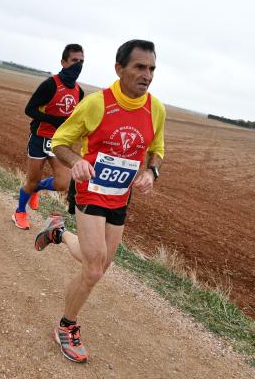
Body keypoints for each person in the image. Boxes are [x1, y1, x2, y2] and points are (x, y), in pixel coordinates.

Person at [34, 39, 166, 363]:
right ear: (119, 69)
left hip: (119, 198)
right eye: (139, 67)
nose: (146, 74)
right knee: (93, 270)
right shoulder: (97, 104)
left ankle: (58, 232)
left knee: (101, 263)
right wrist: (75, 161)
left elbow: (157, 152)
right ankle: (66, 326)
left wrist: (151, 173)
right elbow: (59, 142)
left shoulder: (156, 109)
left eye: (151, 68)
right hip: (89, 191)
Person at [12, 44, 85, 230]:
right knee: (32, 180)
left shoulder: (79, 92)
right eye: (74, 61)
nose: (78, 65)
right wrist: (53, 120)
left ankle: (37, 189)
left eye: (81, 61)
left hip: (58, 143)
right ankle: (19, 212)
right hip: (39, 139)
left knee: (63, 183)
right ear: (63, 62)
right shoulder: (50, 85)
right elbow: (29, 109)